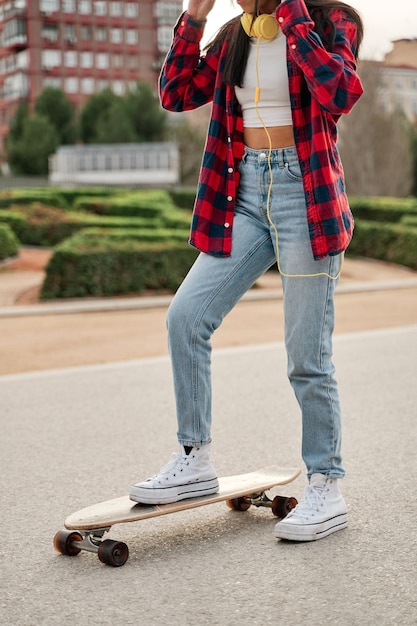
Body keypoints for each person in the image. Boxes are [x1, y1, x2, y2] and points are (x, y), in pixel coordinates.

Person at [130, 0, 364, 542]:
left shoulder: (332, 22)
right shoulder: (236, 34)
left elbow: (340, 94)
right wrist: (194, 16)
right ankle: (194, 458)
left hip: (306, 200)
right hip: (244, 195)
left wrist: (292, 20)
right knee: (186, 317)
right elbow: (175, 93)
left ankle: (326, 485)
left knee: (308, 355)